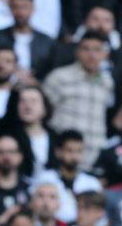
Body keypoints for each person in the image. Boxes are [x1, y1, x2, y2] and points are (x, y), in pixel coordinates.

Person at [42, 30, 114, 168]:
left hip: (95, 159)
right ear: (77, 52)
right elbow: (43, 114)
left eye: (97, 50)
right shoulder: (59, 77)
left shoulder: (107, 82)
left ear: (105, 54)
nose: (91, 55)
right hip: (63, 157)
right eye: (86, 49)